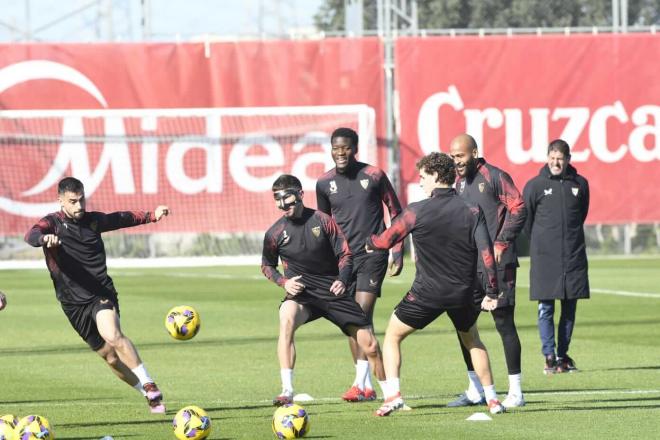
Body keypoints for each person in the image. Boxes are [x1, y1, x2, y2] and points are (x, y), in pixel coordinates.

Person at [366, 152, 505, 417]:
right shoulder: (472, 210)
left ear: (436, 176)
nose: (420, 183)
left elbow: (384, 241)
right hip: (464, 293)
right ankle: (493, 400)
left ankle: (393, 395)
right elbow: (487, 254)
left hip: (427, 294)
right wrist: (492, 291)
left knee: (393, 336)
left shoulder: (415, 211)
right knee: (473, 339)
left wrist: (369, 242)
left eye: (422, 177)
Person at [24, 177, 169, 414]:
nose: (79, 206)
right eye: (73, 202)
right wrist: (43, 239)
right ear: (60, 200)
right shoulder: (52, 223)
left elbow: (121, 218)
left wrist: (152, 214)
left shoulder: (93, 221)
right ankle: (148, 396)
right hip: (72, 303)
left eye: (82, 200)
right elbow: (31, 235)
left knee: (112, 334)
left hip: (100, 293)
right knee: (110, 358)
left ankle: (148, 381)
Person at [262, 174, 387, 406]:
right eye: (277, 200)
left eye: (286, 198)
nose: (282, 205)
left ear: (300, 194)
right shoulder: (275, 233)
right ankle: (287, 390)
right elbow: (267, 266)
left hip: (332, 291)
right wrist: (284, 283)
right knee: (286, 316)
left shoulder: (323, 221)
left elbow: (346, 254)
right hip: (303, 296)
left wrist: (342, 279)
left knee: (369, 344)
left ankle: (390, 395)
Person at [316, 127, 404, 402]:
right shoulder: (323, 183)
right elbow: (322, 223)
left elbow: (396, 211)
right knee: (350, 320)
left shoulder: (374, 175)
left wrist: (396, 249)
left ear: (355, 149)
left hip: (372, 255)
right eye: (335, 147)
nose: (340, 153)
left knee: (359, 313)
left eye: (345, 148)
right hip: (343, 260)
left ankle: (360, 383)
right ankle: (365, 386)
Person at [448, 133, 527, 409]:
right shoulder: (457, 183)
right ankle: (475, 389)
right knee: (464, 325)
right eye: (453, 157)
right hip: (469, 267)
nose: (456, 161)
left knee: (504, 323)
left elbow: (518, 207)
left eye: (461, 156)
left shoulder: (494, 176)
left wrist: (502, 241)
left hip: (499, 265)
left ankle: (516, 391)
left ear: (474, 152)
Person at [523, 139, 590, 374]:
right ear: (547, 158)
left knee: (569, 309)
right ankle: (549, 356)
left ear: (568, 159)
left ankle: (562, 356)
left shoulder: (580, 184)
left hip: (573, 257)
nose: (556, 162)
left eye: (560, 158)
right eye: (552, 158)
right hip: (545, 259)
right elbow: (527, 222)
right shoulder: (535, 186)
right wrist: (543, 244)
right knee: (546, 308)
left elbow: (580, 215)